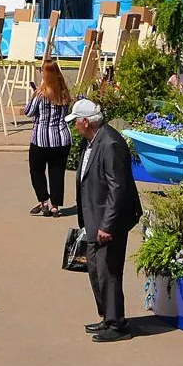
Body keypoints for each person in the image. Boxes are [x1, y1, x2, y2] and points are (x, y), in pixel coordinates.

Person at [71, 97, 141, 343]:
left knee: (109, 271)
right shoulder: (91, 141)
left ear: (86, 122)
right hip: (94, 219)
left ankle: (117, 325)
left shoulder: (110, 143)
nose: (74, 127)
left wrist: (107, 225)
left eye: (76, 123)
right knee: (96, 269)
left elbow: (118, 188)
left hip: (108, 222)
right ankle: (108, 316)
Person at [25, 56, 73, 216]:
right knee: (57, 172)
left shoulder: (41, 94)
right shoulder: (64, 92)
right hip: (61, 138)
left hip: (41, 139)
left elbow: (28, 112)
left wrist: (32, 95)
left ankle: (43, 201)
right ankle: (55, 206)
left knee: (36, 170)